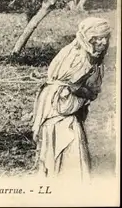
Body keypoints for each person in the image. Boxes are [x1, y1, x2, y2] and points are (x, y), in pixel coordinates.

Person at [32, 17, 111, 181]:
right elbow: (62, 87)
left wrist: (83, 92)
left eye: (106, 37)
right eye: (98, 37)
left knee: (74, 143)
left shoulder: (95, 61)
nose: (103, 42)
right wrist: (78, 90)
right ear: (88, 37)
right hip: (58, 108)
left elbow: (92, 90)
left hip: (71, 108)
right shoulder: (74, 56)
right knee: (65, 141)